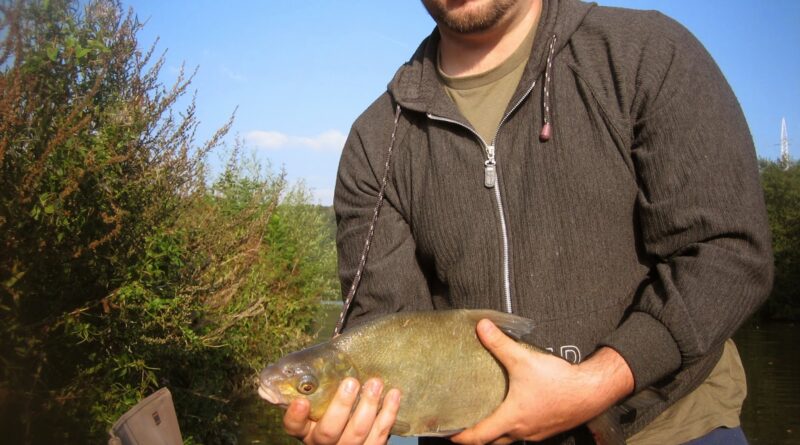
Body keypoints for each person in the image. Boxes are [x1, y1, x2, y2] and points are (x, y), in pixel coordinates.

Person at [283, 0, 774, 443]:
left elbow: (727, 250)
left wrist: (598, 382)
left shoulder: (646, 53)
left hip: (671, 421)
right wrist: (354, 419)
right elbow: (384, 323)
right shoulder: (376, 142)